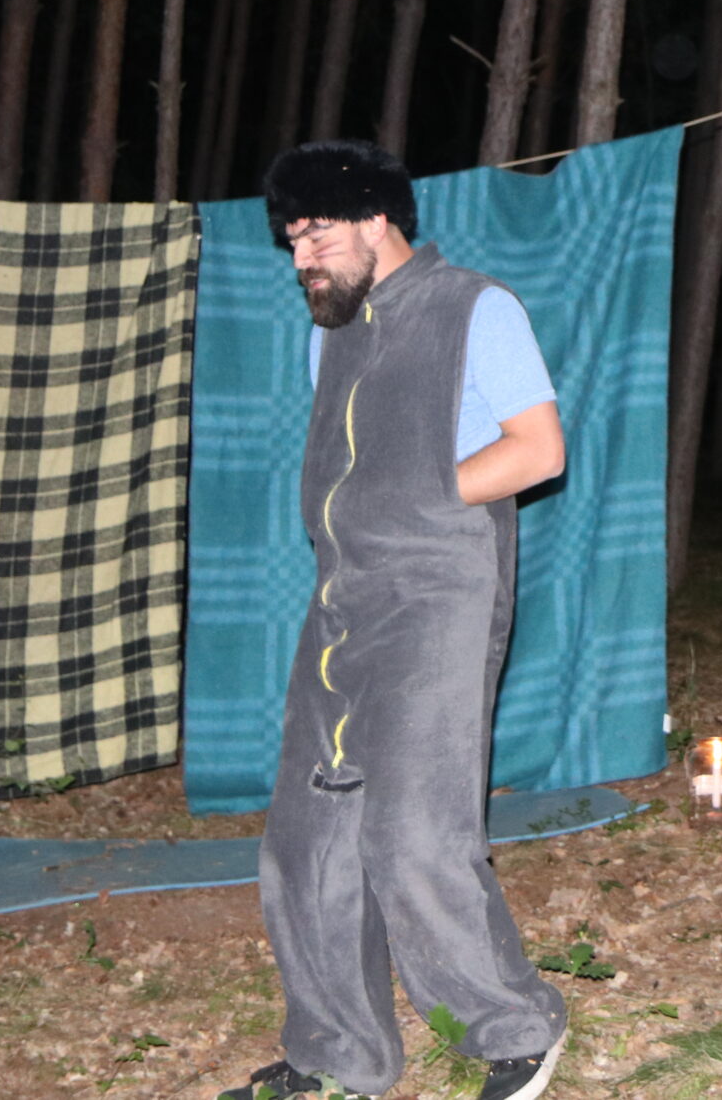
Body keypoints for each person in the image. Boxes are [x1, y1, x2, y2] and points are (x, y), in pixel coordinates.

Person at [223, 141, 570, 1100]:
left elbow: (538, 450)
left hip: (439, 594)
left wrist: (416, 496)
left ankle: (515, 1028)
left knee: (413, 831)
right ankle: (340, 1056)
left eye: (317, 234)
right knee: (307, 841)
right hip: (342, 599)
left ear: (378, 219)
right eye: (292, 240)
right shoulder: (331, 331)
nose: (302, 258)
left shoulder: (476, 308)